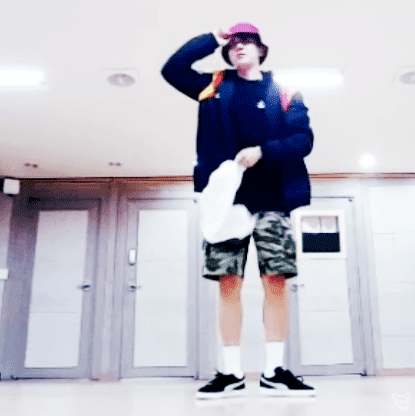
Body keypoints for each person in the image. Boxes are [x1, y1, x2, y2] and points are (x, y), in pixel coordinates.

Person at [161, 22, 315, 399]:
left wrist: (265, 151)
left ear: (261, 49)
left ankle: (274, 371)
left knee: (276, 281)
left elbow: (303, 139)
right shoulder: (214, 85)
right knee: (228, 282)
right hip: (225, 201)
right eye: (233, 44)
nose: (239, 47)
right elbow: (172, 69)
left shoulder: (285, 90)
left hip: (274, 199)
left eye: (247, 42)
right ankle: (230, 373)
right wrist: (212, 39)